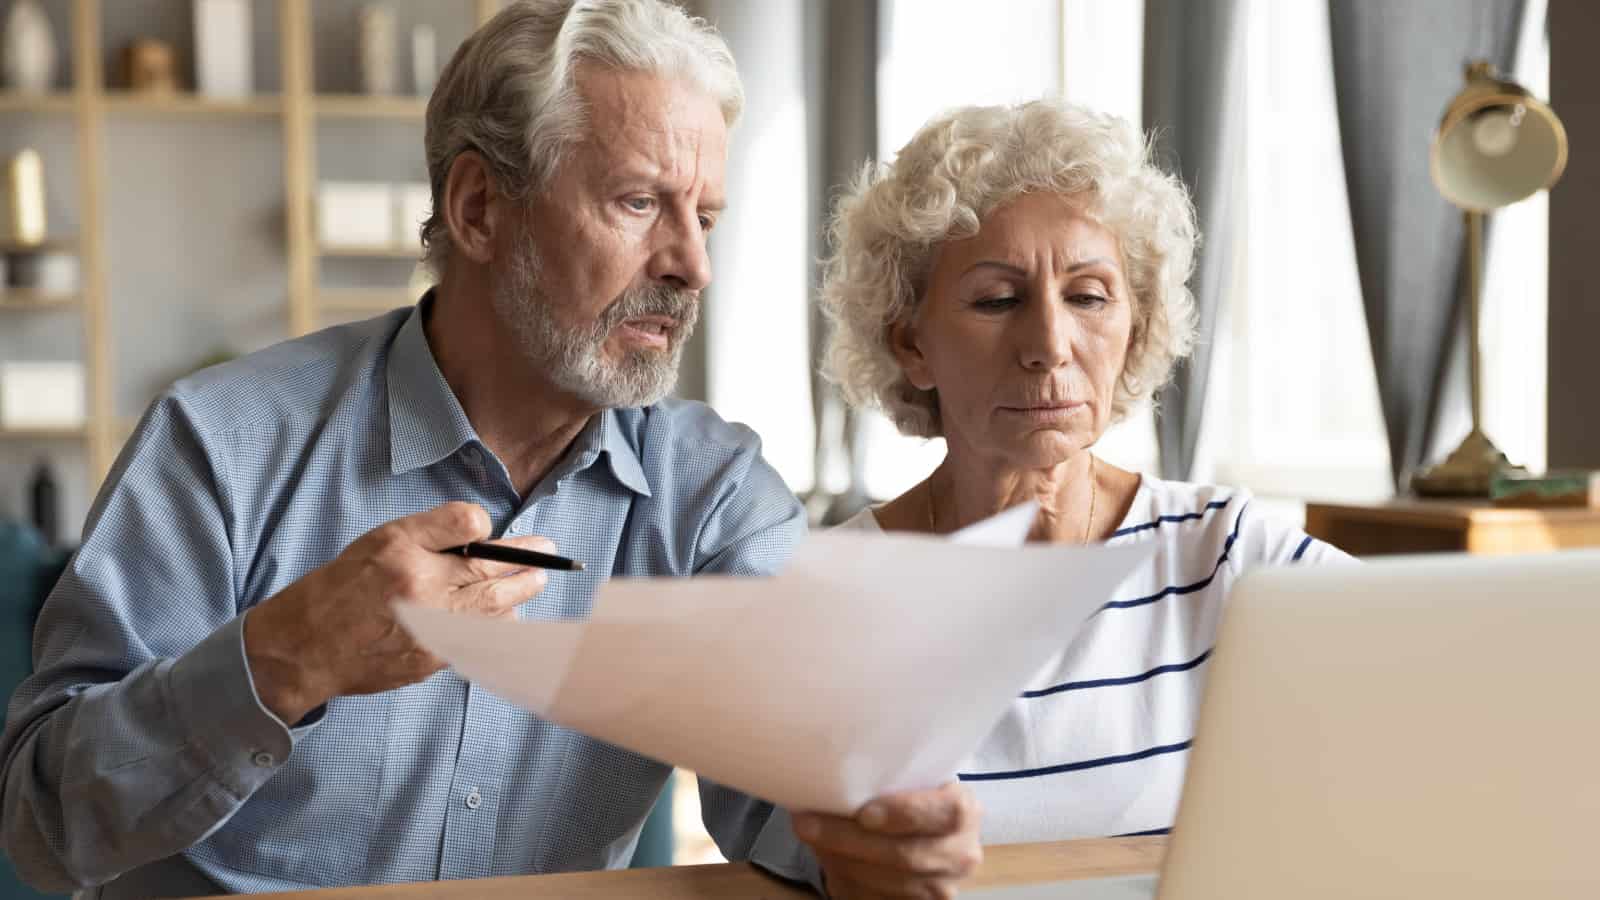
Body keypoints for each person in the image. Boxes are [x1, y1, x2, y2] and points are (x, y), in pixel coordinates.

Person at [0, 3, 979, 897]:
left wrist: (876, 829)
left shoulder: (712, 496)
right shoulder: (219, 445)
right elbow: (43, 827)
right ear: (476, 210)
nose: (692, 265)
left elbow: (797, 793)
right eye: (640, 203)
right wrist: (284, 660)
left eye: (705, 216)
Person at [817, 99, 1352, 845]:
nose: (1049, 344)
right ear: (912, 345)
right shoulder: (832, 592)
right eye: (997, 300)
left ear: (1135, 327)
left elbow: (1449, 671)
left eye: (1089, 296)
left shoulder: (1225, 555)